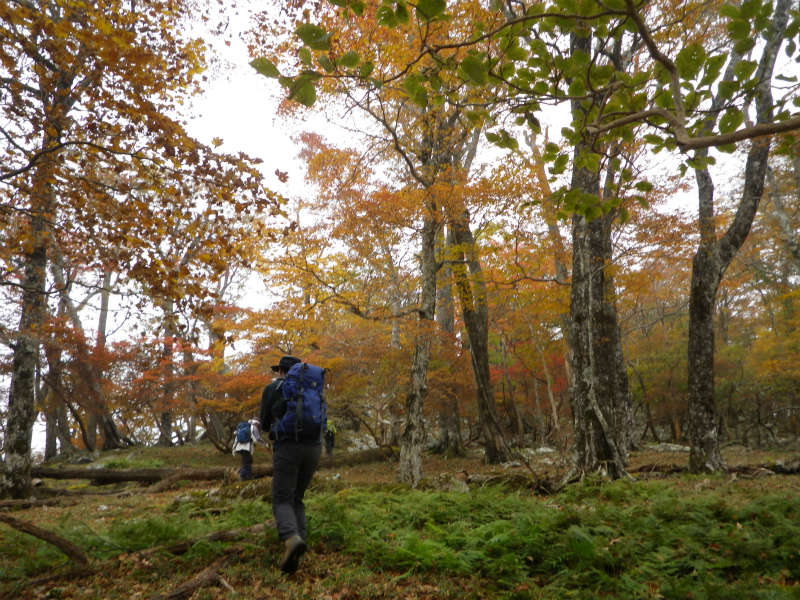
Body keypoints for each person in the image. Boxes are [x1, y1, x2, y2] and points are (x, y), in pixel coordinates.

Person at [260, 355, 323, 575]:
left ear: (280, 372)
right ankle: (299, 546)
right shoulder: (311, 390)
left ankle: (290, 537)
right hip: (314, 448)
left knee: (282, 498)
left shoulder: (273, 389)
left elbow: (265, 423)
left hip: (288, 447)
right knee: (298, 498)